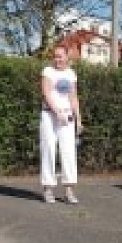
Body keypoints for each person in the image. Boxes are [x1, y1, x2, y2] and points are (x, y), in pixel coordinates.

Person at [40, 45, 82, 204]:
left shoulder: (71, 74)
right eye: (55, 56)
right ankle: (48, 189)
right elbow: (46, 93)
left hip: (67, 118)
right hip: (50, 116)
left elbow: (73, 97)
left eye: (60, 56)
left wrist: (79, 119)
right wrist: (57, 112)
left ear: (67, 57)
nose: (57, 59)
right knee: (49, 150)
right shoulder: (48, 71)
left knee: (68, 152)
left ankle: (69, 190)